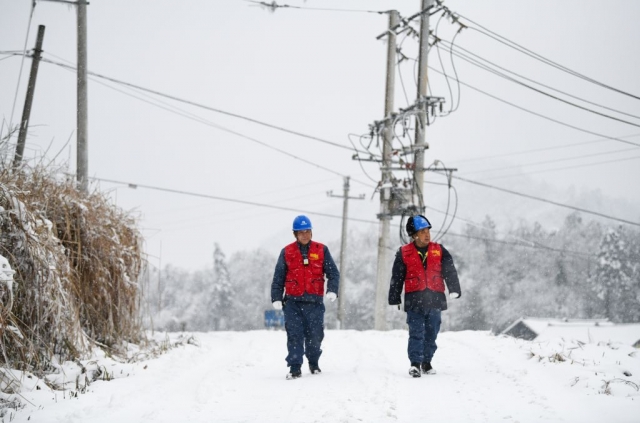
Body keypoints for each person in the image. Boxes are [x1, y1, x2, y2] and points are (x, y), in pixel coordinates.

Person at [388, 214, 461, 378]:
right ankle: (415, 363)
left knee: (431, 332)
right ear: (414, 235)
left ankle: (426, 362)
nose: (426, 234)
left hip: (435, 299)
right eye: (422, 232)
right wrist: (394, 296)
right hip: (414, 301)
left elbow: (450, 272)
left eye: (428, 231)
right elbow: (397, 276)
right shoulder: (404, 253)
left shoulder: (440, 250)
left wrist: (454, 289)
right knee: (416, 332)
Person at [271, 215, 340, 380]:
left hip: (314, 303)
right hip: (293, 303)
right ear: (295, 234)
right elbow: (278, 277)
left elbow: (333, 273)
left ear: (311, 232)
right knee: (294, 334)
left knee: (315, 335)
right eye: (300, 232)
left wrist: (332, 290)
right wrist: (276, 298)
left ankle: (314, 361)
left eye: (307, 231)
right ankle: (295, 367)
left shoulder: (321, 250)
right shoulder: (287, 252)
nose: (304, 235)